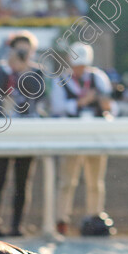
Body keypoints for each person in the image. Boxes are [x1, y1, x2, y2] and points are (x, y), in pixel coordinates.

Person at [50, 42, 114, 235]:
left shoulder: (99, 78)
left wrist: (104, 104)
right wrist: (81, 102)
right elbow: (57, 107)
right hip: (72, 135)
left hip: (95, 134)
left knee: (95, 180)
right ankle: (61, 219)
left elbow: (111, 106)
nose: (80, 69)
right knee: (67, 180)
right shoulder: (61, 80)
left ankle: (94, 216)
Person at [0, 31, 45, 237]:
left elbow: (36, 93)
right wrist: (11, 70)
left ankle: (17, 225)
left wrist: (22, 71)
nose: (21, 53)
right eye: (17, 49)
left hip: (27, 130)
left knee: (23, 179)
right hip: (2, 129)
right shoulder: (1, 70)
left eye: (25, 50)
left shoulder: (36, 72)